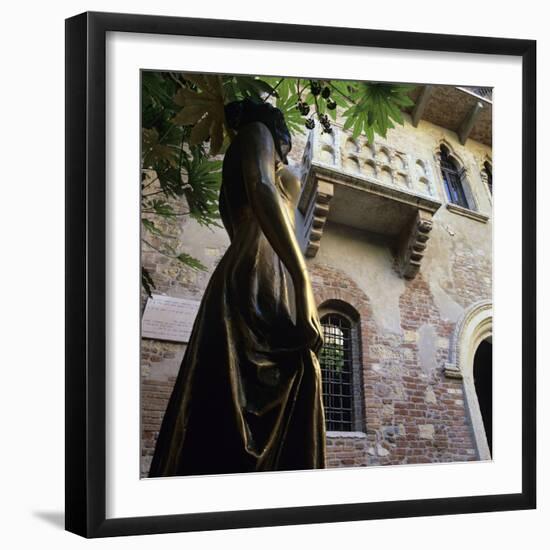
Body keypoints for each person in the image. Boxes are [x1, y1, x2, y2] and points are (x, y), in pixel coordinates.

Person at [148, 98, 326, 477]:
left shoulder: (276, 170)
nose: (285, 157)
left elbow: (275, 194)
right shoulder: (255, 134)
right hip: (257, 271)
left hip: (267, 267)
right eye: (285, 148)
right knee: (277, 374)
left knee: (295, 370)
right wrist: (302, 279)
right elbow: (262, 190)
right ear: (277, 134)